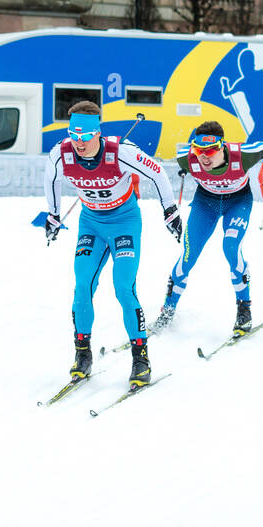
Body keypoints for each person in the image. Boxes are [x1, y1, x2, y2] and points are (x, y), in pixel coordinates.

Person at [43, 101, 180, 389]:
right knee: (82, 286)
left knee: (123, 288)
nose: (78, 143)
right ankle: (82, 355)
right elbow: (51, 178)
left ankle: (140, 358)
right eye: (73, 135)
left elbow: (157, 172)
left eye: (84, 136)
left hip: (124, 222)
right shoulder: (61, 153)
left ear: (97, 133)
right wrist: (53, 214)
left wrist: (170, 211)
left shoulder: (121, 153)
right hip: (91, 223)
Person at [150, 121, 263, 338]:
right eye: (199, 150)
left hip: (237, 202)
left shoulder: (243, 154)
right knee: (188, 257)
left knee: (230, 247)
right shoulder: (187, 157)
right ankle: (168, 311)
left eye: (210, 150)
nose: (204, 156)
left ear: (223, 147)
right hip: (206, 203)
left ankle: (243, 309)